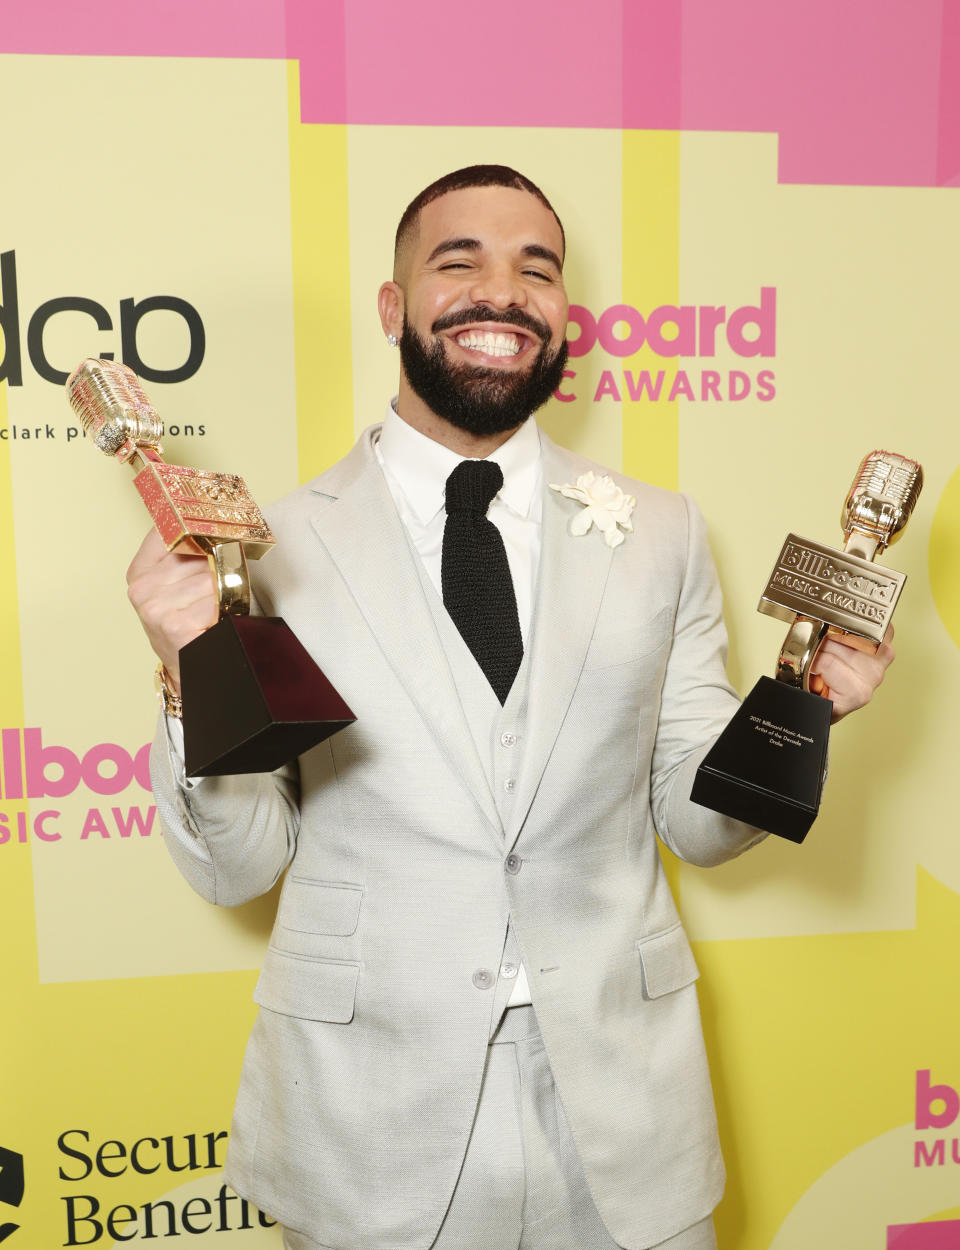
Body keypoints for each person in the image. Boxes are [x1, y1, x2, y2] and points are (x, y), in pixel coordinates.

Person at [127, 166, 893, 1250]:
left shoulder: (665, 533)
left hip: (628, 1114)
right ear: (393, 308)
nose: (504, 291)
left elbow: (697, 822)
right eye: (460, 261)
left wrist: (804, 710)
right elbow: (240, 864)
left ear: (564, 316)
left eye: (538, 268)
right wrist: (182, 670)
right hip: (370, 1122)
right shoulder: (270, 547)